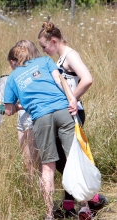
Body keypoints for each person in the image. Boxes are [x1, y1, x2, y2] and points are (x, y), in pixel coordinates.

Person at [4, 45, 83, 220]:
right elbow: (59, 81)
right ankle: (84, 207)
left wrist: (20, 105)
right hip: (63, 110)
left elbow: (8, 111)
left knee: (48, 167)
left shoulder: (12, 78)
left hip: (41, 118)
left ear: (13, 61)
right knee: (73, 159)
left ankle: (49, 215)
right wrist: (72, 100)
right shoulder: (45, 60)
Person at [38, 21, 108, 219]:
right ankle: (71, 204)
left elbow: (87, 78)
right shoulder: (60, 58)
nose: (44, 51)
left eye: (44, 47)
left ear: (53, 41)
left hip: (73, 112)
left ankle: (87, 202)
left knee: (72, 158)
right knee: (66, 160)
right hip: (65, 112)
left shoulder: (70, 55)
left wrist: (73, 98)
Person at [14, 40, 42, 176]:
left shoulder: (37, 71)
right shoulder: (19, 71)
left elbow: (38, 93)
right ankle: (31, 191)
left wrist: (18, 106)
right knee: (26, 160)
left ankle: (42, 192)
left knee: (36, 158)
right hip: (21, 117)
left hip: (33, 116)